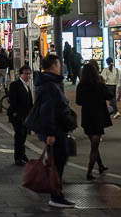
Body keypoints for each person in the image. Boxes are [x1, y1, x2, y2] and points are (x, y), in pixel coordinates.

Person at [26, 54, 76, 208]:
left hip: (57, 129)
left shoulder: (48, 82)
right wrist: (50, 133)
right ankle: (55, 194)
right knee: (57, 161)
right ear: (54, 65)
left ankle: (56, 192)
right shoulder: (49, 85)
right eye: (59, 64)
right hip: (55, 130)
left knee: (58, 160)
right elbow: (47, 111)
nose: (60, 66)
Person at [76, 63, 112, 180]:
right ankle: (89, 171)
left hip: (87, 116)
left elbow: (78, 101)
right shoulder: (99, 84)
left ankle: (100, 165)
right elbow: (109, 95)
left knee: (94, 143)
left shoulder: (81, 85)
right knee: (94, 146)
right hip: (98, 116)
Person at [7, 65, 33, 166]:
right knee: (19, 136)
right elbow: (13, 100)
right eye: (26, 73)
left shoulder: (27, 86)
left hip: (26, 115)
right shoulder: (15, 84)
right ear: (21, 74)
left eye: (29, 74)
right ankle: (18, 157)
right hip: (17, 115)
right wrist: (15, 112)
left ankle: (22, 155)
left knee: (23, 135)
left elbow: (29, 101)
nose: (28, 76)